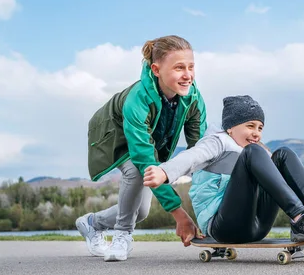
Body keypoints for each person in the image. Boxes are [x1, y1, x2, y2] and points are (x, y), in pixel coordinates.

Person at [143, 95, 304, 244]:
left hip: (257, 225)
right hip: (222, 226)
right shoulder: (216, 142)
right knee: (256, 152)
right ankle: (300, 218)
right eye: (250, 126)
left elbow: (287, 174)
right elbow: (191, 157)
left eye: (260, 128)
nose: (257, 133)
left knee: (282, 155)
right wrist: (165, 171)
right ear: (230, 127)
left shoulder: (254, 151)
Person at [75, 35, 207, 261]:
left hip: (145, 143)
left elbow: (201, 151)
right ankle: (122, 235)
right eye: (178, 68)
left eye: (191, 67)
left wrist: (208, 208)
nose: (187, 75)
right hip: (114, 136)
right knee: (137, 170)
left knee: (141, 211)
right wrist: (179, 214)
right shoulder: (138, 98)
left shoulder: (193, 98)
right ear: (156, 69)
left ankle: (91, 223)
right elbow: (144, 158)